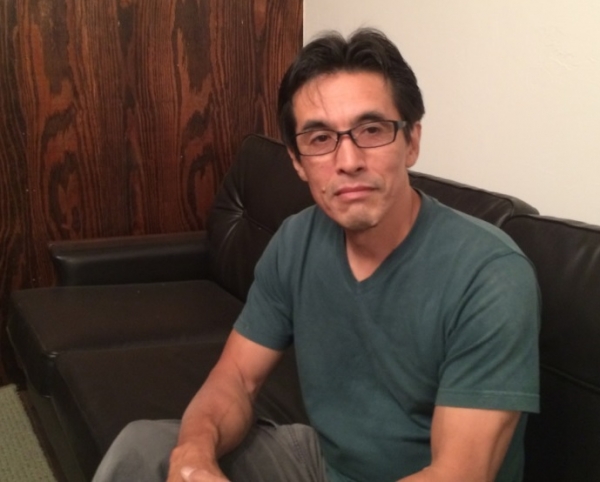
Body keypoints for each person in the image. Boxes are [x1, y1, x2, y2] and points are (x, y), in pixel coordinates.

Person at [92, 28, 540, 482]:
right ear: (297, 161)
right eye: (320, 138)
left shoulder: (489, 275)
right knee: (145, 451)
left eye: (371, 130)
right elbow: (237, 378)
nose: (348, 161)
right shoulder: (296, 241)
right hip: (323, 467)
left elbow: (458, 473)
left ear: (411, 141)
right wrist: (193, 456)